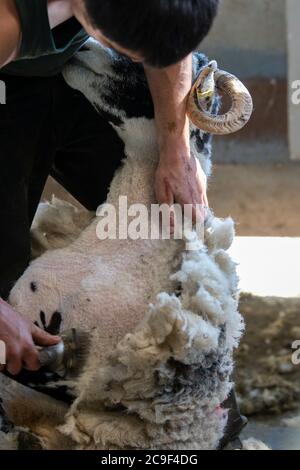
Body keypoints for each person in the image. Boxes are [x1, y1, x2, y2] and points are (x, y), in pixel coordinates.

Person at [0, 0, 219, 375]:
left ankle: (188, 387)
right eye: (130, 50)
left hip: (60, 59)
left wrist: (175, 147)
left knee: (162, 215)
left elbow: (167, 33)